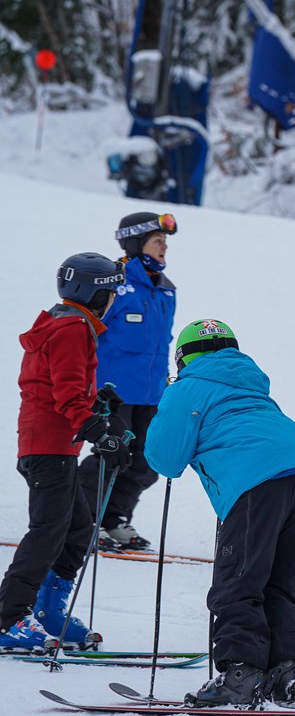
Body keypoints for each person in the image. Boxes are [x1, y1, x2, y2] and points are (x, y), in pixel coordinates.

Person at [144, 319, 295, 707]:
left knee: (238, 582)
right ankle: (288, 672)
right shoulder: (251, 384)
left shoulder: (187, 387)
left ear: (183, 358)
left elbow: (164, 459)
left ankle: (241, 677)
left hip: (256, 479)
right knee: (278, 582)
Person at [0, 253, 129, 653]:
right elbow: (67, 393)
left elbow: (60, 383)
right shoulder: (73, 327)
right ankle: (7, 617)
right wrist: (97, 431)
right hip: (49, 446)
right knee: (48, 531)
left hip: (54, 446)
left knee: (77, 529)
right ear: (95, 294)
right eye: (111, 292)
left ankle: (47, 610)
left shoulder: (64, 323)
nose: (113, 300)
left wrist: (97, 401)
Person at [81, 211, 178, 552]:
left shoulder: (166, 290)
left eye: (164, 241)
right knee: (109, 456)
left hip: (151, 394)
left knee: (146, 463)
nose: (164, 247)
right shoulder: (114, 285)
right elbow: (86, 334)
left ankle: (114, 519)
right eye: (157, 241)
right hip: (113, 394)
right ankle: (84, 521)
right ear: (136, 244)